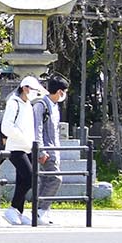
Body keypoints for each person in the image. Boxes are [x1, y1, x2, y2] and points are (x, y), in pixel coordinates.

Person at [0, 75, 45, 226]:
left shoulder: (28, 105)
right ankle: (12, 208)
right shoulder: (14, 103)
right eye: (33, 89)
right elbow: (6, 126)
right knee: (31, 178)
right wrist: (22, 138)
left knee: (22, 180)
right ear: (25, 88)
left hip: (28, 148)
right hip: (16, 148)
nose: (35, 93)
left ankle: (18, 212)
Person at [33, 75, 70, 225]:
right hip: (46, 150)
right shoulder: (42, 105)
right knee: (55, 179)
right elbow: (38, 129)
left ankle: (42, 211)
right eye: (64, 92)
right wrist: (40, 150)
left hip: (54, 150)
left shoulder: (55, 106)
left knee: (46, 180)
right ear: (60, 92)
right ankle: (40, 210)